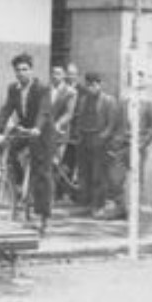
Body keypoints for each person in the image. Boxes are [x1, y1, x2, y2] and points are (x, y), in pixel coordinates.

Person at [0, 54, 51, 232]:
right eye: (18, 70)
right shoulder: (13, 89)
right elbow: (7, 109)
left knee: (42, 174)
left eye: (25, 69)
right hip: (24, 129)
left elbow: (44, 111)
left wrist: (38, 128)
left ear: (31, 70)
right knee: (5, 146)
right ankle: (17, 185)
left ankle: (43, 217)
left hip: (43, 133)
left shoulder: (42, 88)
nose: (21, 73)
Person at [97, 70, 152, 220]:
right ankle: (117, 207)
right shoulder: (124, 102)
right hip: (122, 144)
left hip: (138, 146)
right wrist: (112, 139)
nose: (137, 83)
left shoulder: (149, 104)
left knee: (137, 178)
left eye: (140, 80)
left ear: (144, 83)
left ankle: (134, 209)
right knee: (115, 176)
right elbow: (116, 123)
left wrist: (143, 143)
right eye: (134, 80)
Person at [36, 64, 78, 232]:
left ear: (64, 76)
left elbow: (69, 113)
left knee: (52, 166)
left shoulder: (70, 93)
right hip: (44, 133)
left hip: (59, 133)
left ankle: (50, 202)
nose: (55, 76)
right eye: (53, 73)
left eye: (59, 73)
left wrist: (57, 124)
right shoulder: (46, 90)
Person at [76, 72, 117, 217]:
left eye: (94, 84)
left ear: (100, 84)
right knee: (85, 174)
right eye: (88, 85)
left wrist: (102, 137)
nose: (91, 88)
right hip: (85, 139)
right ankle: (87, 204)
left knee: (98, 176)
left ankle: (98, 205)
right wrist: (79, 134)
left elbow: (111, 124)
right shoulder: (82, 100)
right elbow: (79, 118)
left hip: (100, 142)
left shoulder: (109, 100)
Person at [58, 62, 86, 202]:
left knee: (72, 164)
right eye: (68, 74)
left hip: (76, 132)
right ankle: (61, 193)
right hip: (62, 130)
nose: (71, 76)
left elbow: (83, 111)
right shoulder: (61, 89)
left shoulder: (83, 91)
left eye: (73, 74)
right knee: (62, 164)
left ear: (77, 75)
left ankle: (72, 194)